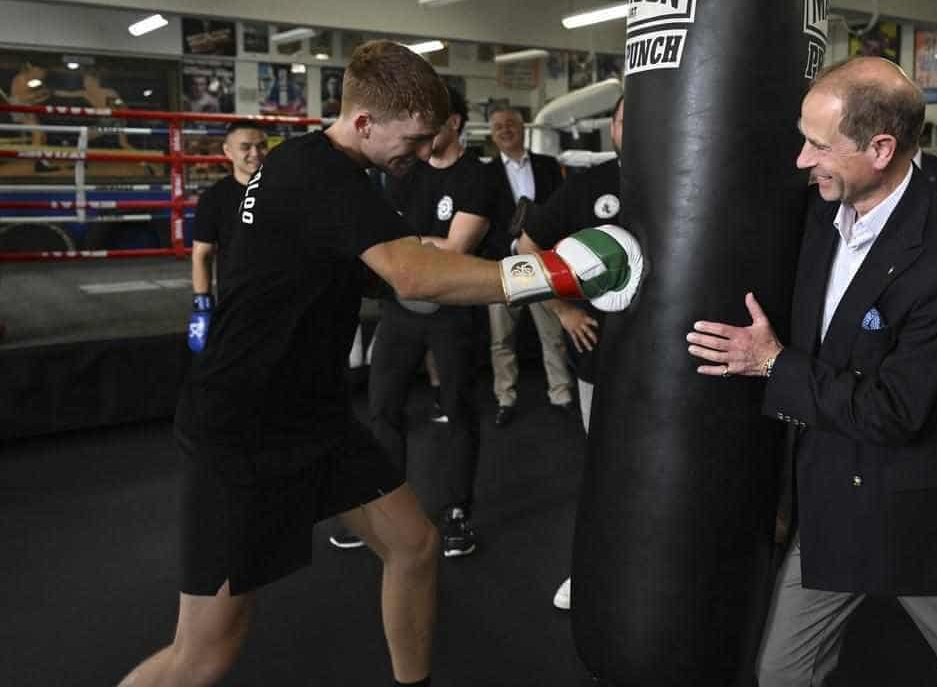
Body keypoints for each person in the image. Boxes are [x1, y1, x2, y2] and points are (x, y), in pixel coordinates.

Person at [117, 40, 641, 687]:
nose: (422, 154)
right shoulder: (320, 174)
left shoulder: (316, 167)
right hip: (242, 422)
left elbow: (354, 270)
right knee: (205, 653)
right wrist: (556, 271)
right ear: (364, 122)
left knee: (414, 546)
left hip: (311, 414)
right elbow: (412, 278)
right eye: (416, 139)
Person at [687, 57, 937, 687]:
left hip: (925, 513)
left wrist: (770, 362)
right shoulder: (819, 215)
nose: (801, 159)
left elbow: (894, 410)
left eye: (819, 145)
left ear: (881, 149)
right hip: (833, 502)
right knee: (783, 674)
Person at [330, 86, 495, 559]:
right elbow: (388, 243)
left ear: (455, 123)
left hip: (455, 309)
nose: (420, 136)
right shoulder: (404, 172)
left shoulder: (476, 178)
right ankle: (385, 510)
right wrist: (420, 245)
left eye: (431, 124)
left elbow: (456, 251)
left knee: (458, 409)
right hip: (402, 308)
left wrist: (408, 245)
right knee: (382, 407)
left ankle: (457, 513)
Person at [516, 94, 624, 610]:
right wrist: (563, 311)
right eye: (627, 119)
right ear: (615, 128)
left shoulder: (695, 175)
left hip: (680, 365)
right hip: (602, 360)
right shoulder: (591, 185)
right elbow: (526, 248)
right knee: (604, 470)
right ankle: (590, 570)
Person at [484, 106, 573, 427]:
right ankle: (505, 396)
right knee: (501, 337)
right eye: (498, 127)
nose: (505, 130)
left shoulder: (549, 167)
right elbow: (484, 223)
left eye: (510, 124)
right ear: (492, 135)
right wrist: (511, 246)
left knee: (552, 332)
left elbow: (560, 211)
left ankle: (560, 391)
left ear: (522, 128)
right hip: (504, 266)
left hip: (543, 262)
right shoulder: (486, 174)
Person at [187, 121, 269, 352]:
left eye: (261, 146)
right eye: (246, 147)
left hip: (281, 297)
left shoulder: (285, 191)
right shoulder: (214, 199)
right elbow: (201, 255)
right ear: (227, 151)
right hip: (236, 301)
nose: (255, 153)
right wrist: (201, 306)